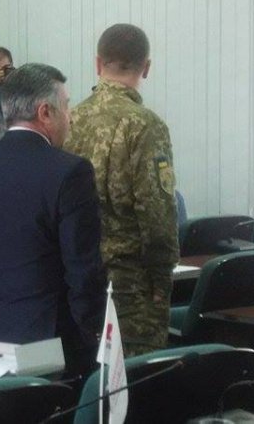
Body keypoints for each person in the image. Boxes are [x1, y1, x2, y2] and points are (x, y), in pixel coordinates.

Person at [0, 63, 104, 375]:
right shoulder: (70, 172)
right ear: (45, 112)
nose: (70, 117)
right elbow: (84, 272)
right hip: (48, 348)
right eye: (66, 106)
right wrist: (89, 337)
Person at [63, 23, 179, 357]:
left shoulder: (69, 118)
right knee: (135, 378)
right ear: (147, 67)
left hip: (76, 279)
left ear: (98, 64)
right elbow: (156, 212)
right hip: (131, 284)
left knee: (90, 375)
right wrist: (162, 278)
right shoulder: (145, 125)